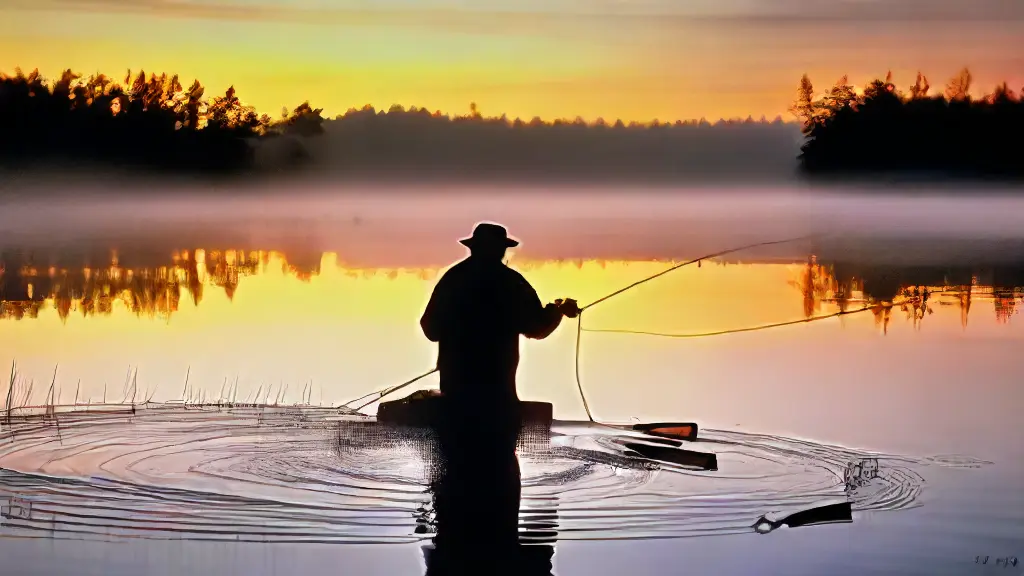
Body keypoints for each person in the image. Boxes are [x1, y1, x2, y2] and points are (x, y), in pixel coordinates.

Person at [419, 222, 580, 409]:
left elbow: (430, 328)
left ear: (473, 248)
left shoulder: (453, 279)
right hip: (498, 392)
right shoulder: (511, 282)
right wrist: (557, 310)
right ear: (501, 250)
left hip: (455, 390)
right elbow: (537, 327)